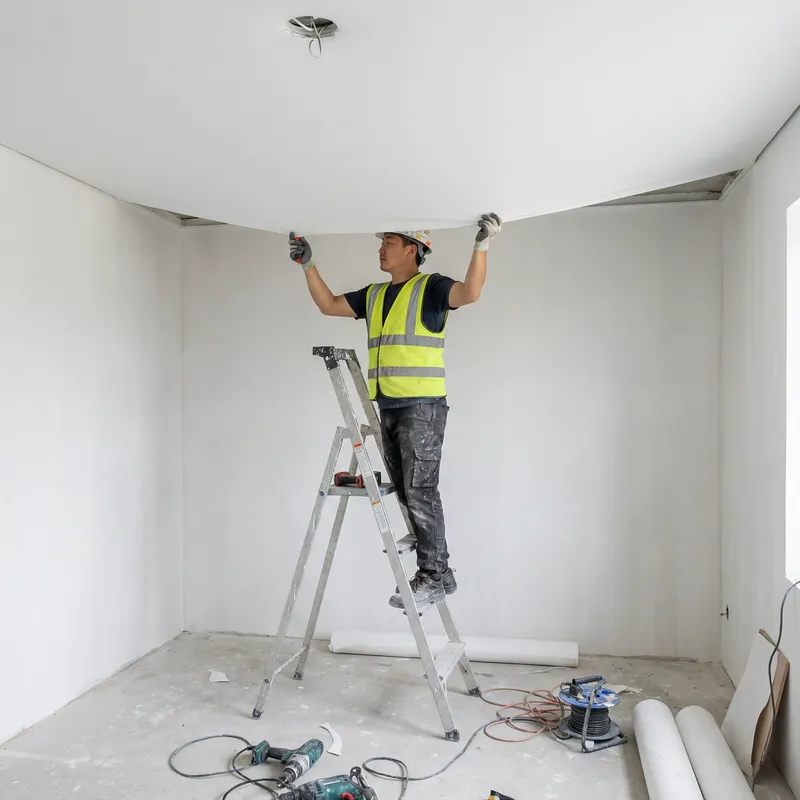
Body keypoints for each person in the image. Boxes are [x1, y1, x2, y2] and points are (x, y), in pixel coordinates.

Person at [289, 214, 503, 610]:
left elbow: (470, 292)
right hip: (387, 404)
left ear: (412, 249)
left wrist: (482, 245)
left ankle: (434, 576)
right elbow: (329, 305)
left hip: (422, 407)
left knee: (421, 491)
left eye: (388, 241)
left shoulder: (431, 288)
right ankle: (440, 572)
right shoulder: (373, 295)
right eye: (382, 241)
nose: (381, 248)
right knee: (407, 492)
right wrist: (308, 265)